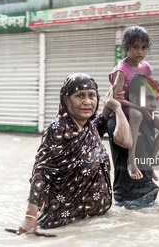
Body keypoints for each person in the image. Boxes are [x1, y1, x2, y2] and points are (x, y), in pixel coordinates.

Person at [17, 73, 129, 234]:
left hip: (95, 222)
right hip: (64, 225)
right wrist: (30, 216)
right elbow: (41, 172)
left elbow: (103, 121)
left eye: (92, 96)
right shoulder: (59, 129)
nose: (87, 102)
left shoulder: (90, 128)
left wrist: (114, 101)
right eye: (80, 96)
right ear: (66, 99)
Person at [107, 75, 159, 210]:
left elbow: (147, 160)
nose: (154, 104)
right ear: (133, 98)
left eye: (157, 99)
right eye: (149, 98)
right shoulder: (118, 123)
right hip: (130, 200)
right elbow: (120, 140)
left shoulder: (148, 125)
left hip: (148, 194)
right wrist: (118, 107)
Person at [106, 25, 159, 181]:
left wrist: (147, 107)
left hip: (140, 107)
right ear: (125, 47)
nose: (140, 52)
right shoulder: (122, 70)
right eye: (135, 47)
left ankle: (151, 160)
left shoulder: (147, 69)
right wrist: (140, 108)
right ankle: (131, 160)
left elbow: (147, 91)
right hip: (125, 109)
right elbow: (116, 100)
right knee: (136, 115)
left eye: (143, 47)